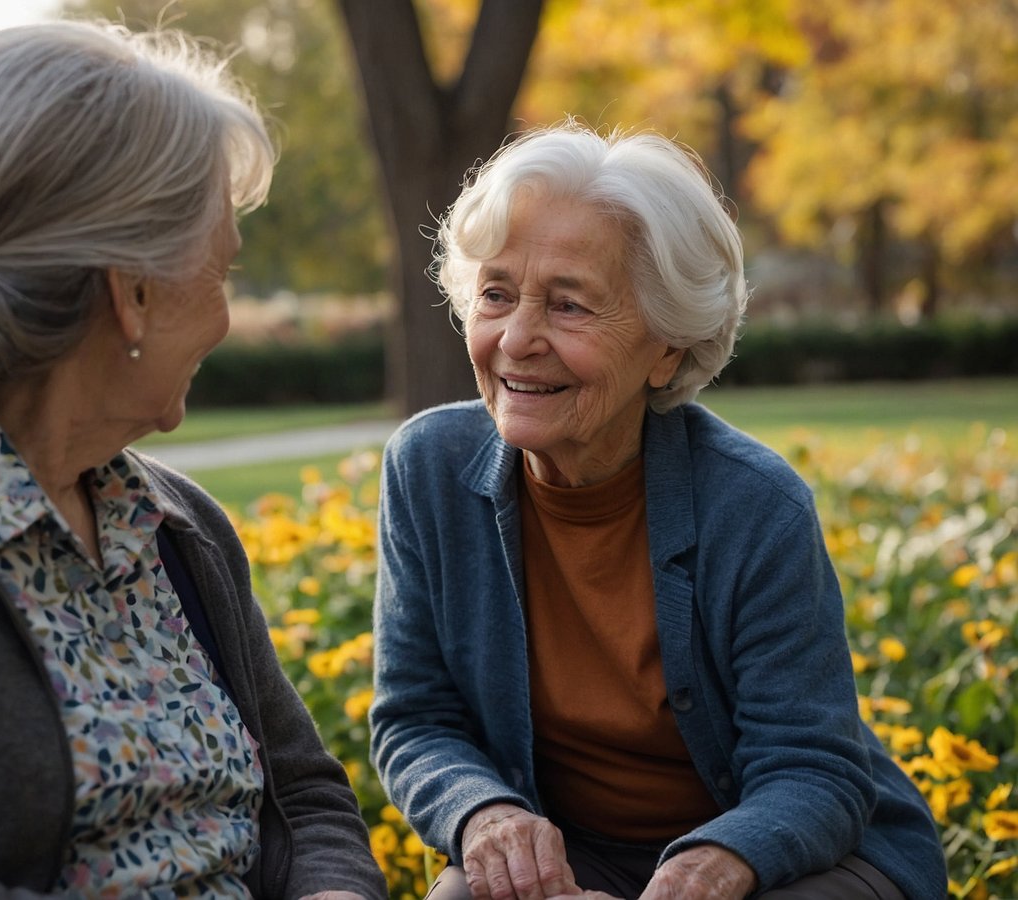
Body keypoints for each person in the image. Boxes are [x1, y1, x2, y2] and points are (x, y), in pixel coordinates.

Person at [0, 20, 385, 900]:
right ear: (131, 293)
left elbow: (304, 798)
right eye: (222, 272)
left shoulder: (178, 526)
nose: (227, 321)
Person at [369, 124, 946, 900]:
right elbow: (416, 718)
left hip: (784, 854)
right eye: (496, 294)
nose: (517, 339)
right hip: (579, 852)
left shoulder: (755, 505)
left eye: (569, 305)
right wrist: (488, 815)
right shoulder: (426, 470)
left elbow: (814, 771)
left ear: (669, 346)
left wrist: (716, 863)